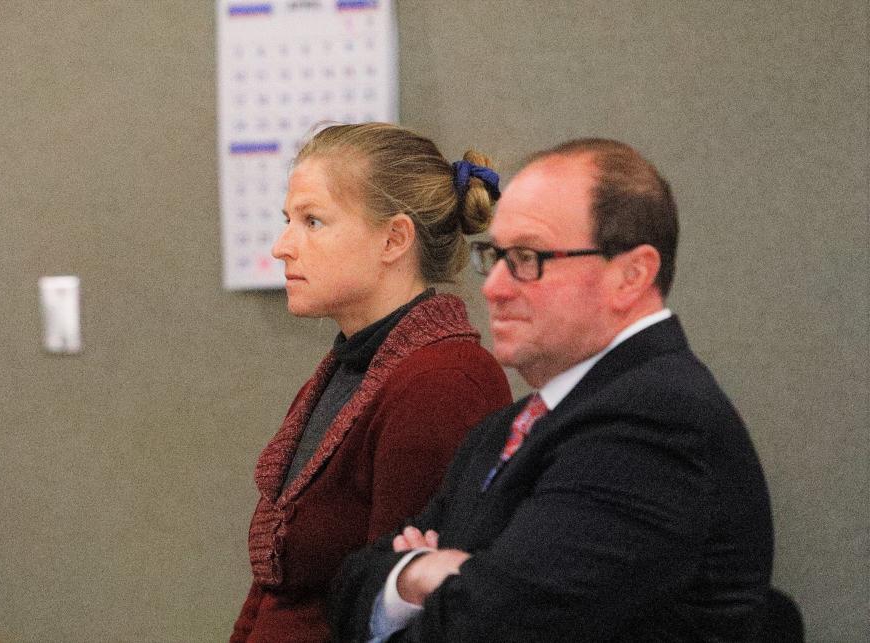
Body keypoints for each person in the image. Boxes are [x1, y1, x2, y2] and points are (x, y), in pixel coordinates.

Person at [330, 138, 774, 641]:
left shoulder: (656, 421)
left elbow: (494, 625)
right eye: (493, 256)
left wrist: (452, 581)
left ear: (631, 275)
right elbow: (350, 589)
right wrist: (416, 575)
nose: (493, 287)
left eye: (526, 257)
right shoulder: (503, 429)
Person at [229, 123, 513, 642]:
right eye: (287, 220)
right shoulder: (354, 364)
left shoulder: (443, 386)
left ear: (394, 238)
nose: (281, 247)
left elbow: (399, 612)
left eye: (313, 221)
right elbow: (278, 587)